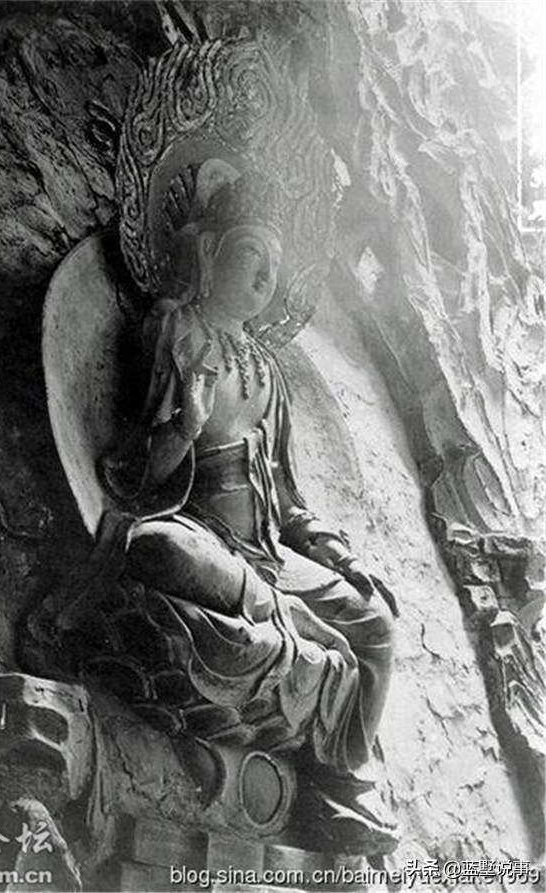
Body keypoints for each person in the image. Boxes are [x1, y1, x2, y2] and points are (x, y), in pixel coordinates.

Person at [100, 160, 398, 851]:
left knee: (378, 623)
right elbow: (133, 477)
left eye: (275, 267)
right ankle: (286, 620)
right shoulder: (176, 329)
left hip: (269, 553)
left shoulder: (269, 370)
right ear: (209, 252)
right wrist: (184, 428)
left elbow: (287, 499)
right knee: (159, 550)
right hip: (200, 529)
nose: (265, 278)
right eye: (251, 254)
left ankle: (338, 784)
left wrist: (332, 550)